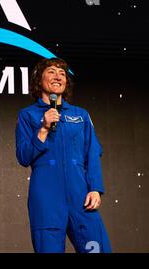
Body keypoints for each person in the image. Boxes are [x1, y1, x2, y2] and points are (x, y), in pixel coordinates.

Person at [15, 57, 111, 253]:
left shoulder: (81, 114)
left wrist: (95, 188)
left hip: (81, 195)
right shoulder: (28, 115)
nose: (58, 76)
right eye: (51, 72)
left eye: (62, 73)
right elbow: (23, 157)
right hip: (46, 197)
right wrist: (43, 129)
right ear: (39, 81)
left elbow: (92, 152)